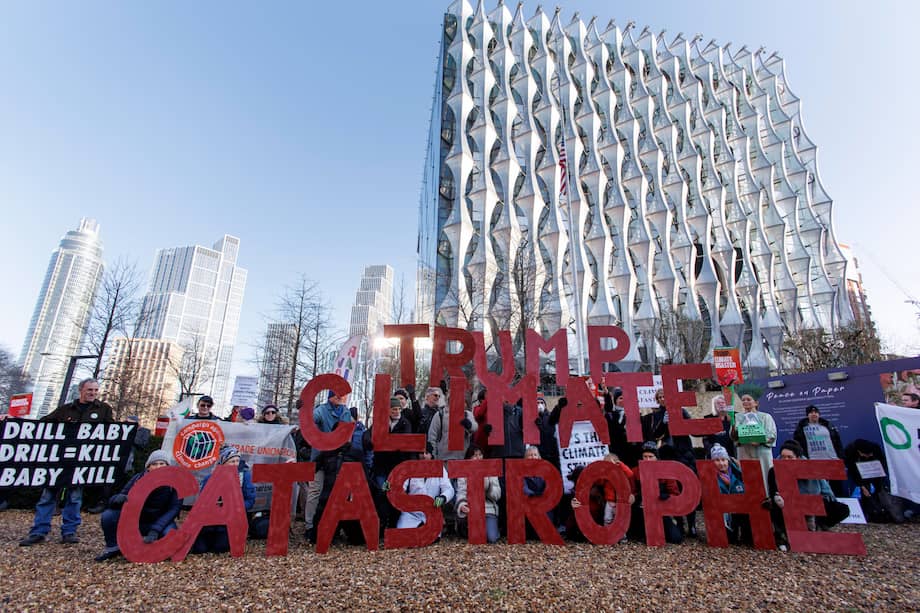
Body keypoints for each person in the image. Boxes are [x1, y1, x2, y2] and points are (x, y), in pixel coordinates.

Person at [19, 378, 114, 547]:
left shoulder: (104, 410)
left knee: (75, 497)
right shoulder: (65, 410)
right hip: (59, 461)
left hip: (80, 461)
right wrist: (15, 420)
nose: (92, 393)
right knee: (48, 496)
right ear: (81, 390)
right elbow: (42, 426)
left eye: (95, 390)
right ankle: (39, 532)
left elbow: (112, 432)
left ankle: (69, 531)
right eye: (89, 390)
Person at [94, 450, 181, 562]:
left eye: (162, 464)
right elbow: (121, 495)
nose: (158, 467)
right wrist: (116, 500)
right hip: (137, 520)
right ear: (148, 467)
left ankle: (152, 549)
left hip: (159, 520)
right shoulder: (137, 478)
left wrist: (156, 529)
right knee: (109, 516)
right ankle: (113, 547)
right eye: (154, 464)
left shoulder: (174, 484)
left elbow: (173, 509)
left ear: (167, 466)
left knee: (170, 534)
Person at [305, 390, 353, 542]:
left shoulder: (345, 412)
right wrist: (304, 410)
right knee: (315, 491)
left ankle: (333, 526)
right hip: (320, 459)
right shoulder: (321, 410)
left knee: (335, 493)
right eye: (335, 395)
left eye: (340, 394)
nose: (339, 397)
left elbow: (349, 432)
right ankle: (310, 526)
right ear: (330, 396)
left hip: (337, 461)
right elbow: (311, 419)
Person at [192, 445, 256, 554]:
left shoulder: (245, 476)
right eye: (232, 461)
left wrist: (233, 507)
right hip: (211, 518)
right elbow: (201, 502)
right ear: (223, 463)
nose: (235, 464)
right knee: (199, 549)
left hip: (232, 518)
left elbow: (250, 500)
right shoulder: (210, 478)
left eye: (237, 460)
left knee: (219, 547)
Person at [371, 396, 413, 530]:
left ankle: (393, 525)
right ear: (388, 410)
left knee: (395, 496)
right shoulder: (380, 423)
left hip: (397, 468)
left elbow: (405, 442)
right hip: (382, 467)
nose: (396, 411)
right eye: (394, 409)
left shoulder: (405, 423)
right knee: (382, 494)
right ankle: (381, 525)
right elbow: (368, 436)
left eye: (398, 409)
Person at [394, 444, 454, 536]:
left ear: (431, 455)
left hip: (432, 512)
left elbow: (449, 489)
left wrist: (442, 497)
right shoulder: (411, 469)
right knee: (403, 536)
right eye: (421, 453)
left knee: (431, 538)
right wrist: (391, 486)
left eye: (427, 453)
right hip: (411, 513)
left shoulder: (439, 469)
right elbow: (401, 486)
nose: (424, 456)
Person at [628, 442, 682, 544]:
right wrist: (636, 497)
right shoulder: (635, 472)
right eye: (645, 456)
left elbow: (675, 493)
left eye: (651, 457)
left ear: (656, 457)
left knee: (675, 538)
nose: (647, 460)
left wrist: (665, 497)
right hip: (641, 511)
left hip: (661, 510)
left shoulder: (666, 472)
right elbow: (632, 491)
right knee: (640, 535)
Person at [843, 438, 905, 523]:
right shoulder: (850, 452)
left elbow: (882, 464)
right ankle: (868, 513)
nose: (869, 456)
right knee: (865, 492)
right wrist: (862, 486)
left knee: (880, 489)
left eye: (870, 454)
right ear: (859, 452)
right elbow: (852, 470)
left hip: (875, 471)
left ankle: (882, 511)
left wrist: (879, 480)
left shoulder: (876, 449)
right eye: (867, 455)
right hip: (859, 472)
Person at [792, 405, 845, 496]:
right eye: (811, 412)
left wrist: (840, 457)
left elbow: (837, 442)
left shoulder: (828, 425)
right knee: (818, 489)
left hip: (832, 461)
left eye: (816, 412)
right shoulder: (801, 428)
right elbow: (798, 444)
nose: (814, 414)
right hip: (813, 462)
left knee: (837, 489)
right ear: (807, 415)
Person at [730, 389, 776, 491]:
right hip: (744, 451)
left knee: (764, 476)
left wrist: (760, 440)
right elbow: (733, 436)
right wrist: (733, 428)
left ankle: (768, 495)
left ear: (756, 403)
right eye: (743, 400)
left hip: (761, 451)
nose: (745, 402)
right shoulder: (737, 417)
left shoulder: (765, 417)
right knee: (747, 476)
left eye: (748, 399)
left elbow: (771, 434)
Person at [454, 445, 501, 543]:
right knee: (472, 536)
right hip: (471, 510)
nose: (478, 458)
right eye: (475, 455)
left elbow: (497, 495)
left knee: (491, 538)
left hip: (488, 510)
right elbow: (461, 492)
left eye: (480, 455)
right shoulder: (463, 472)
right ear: (469, 458)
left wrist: (488, 486)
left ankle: (494, 528)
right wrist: (462, 505)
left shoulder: (491, 470)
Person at [709, 443, 751, 544]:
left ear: (728, 460)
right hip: (723, 514)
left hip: (739, 511)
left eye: (723, 460)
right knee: (729, 539)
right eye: (717, 460)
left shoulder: (738, 475)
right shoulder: (710, 477)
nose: (721, 463)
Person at [704, 394, 736, 459]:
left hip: (733, 453)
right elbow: (706, 439)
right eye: (718, 403)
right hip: (715, 454)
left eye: (723, 403)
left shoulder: (735, 417)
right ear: (714, 406)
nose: (721, 404)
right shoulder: (708, 419)